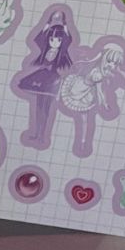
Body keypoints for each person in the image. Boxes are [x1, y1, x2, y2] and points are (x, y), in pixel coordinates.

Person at [17, 12, 74, 148]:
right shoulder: (45, 49)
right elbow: (39, 38)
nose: (55, 42)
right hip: (41, 77)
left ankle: (42, 136)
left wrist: (64, 23)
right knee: (38, 108)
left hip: (52, 80)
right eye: (52, 39)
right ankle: (36, 134)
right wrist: (48, 22)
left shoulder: (61, 52)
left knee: (46, 109)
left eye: (58, 40)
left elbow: (68, 40)